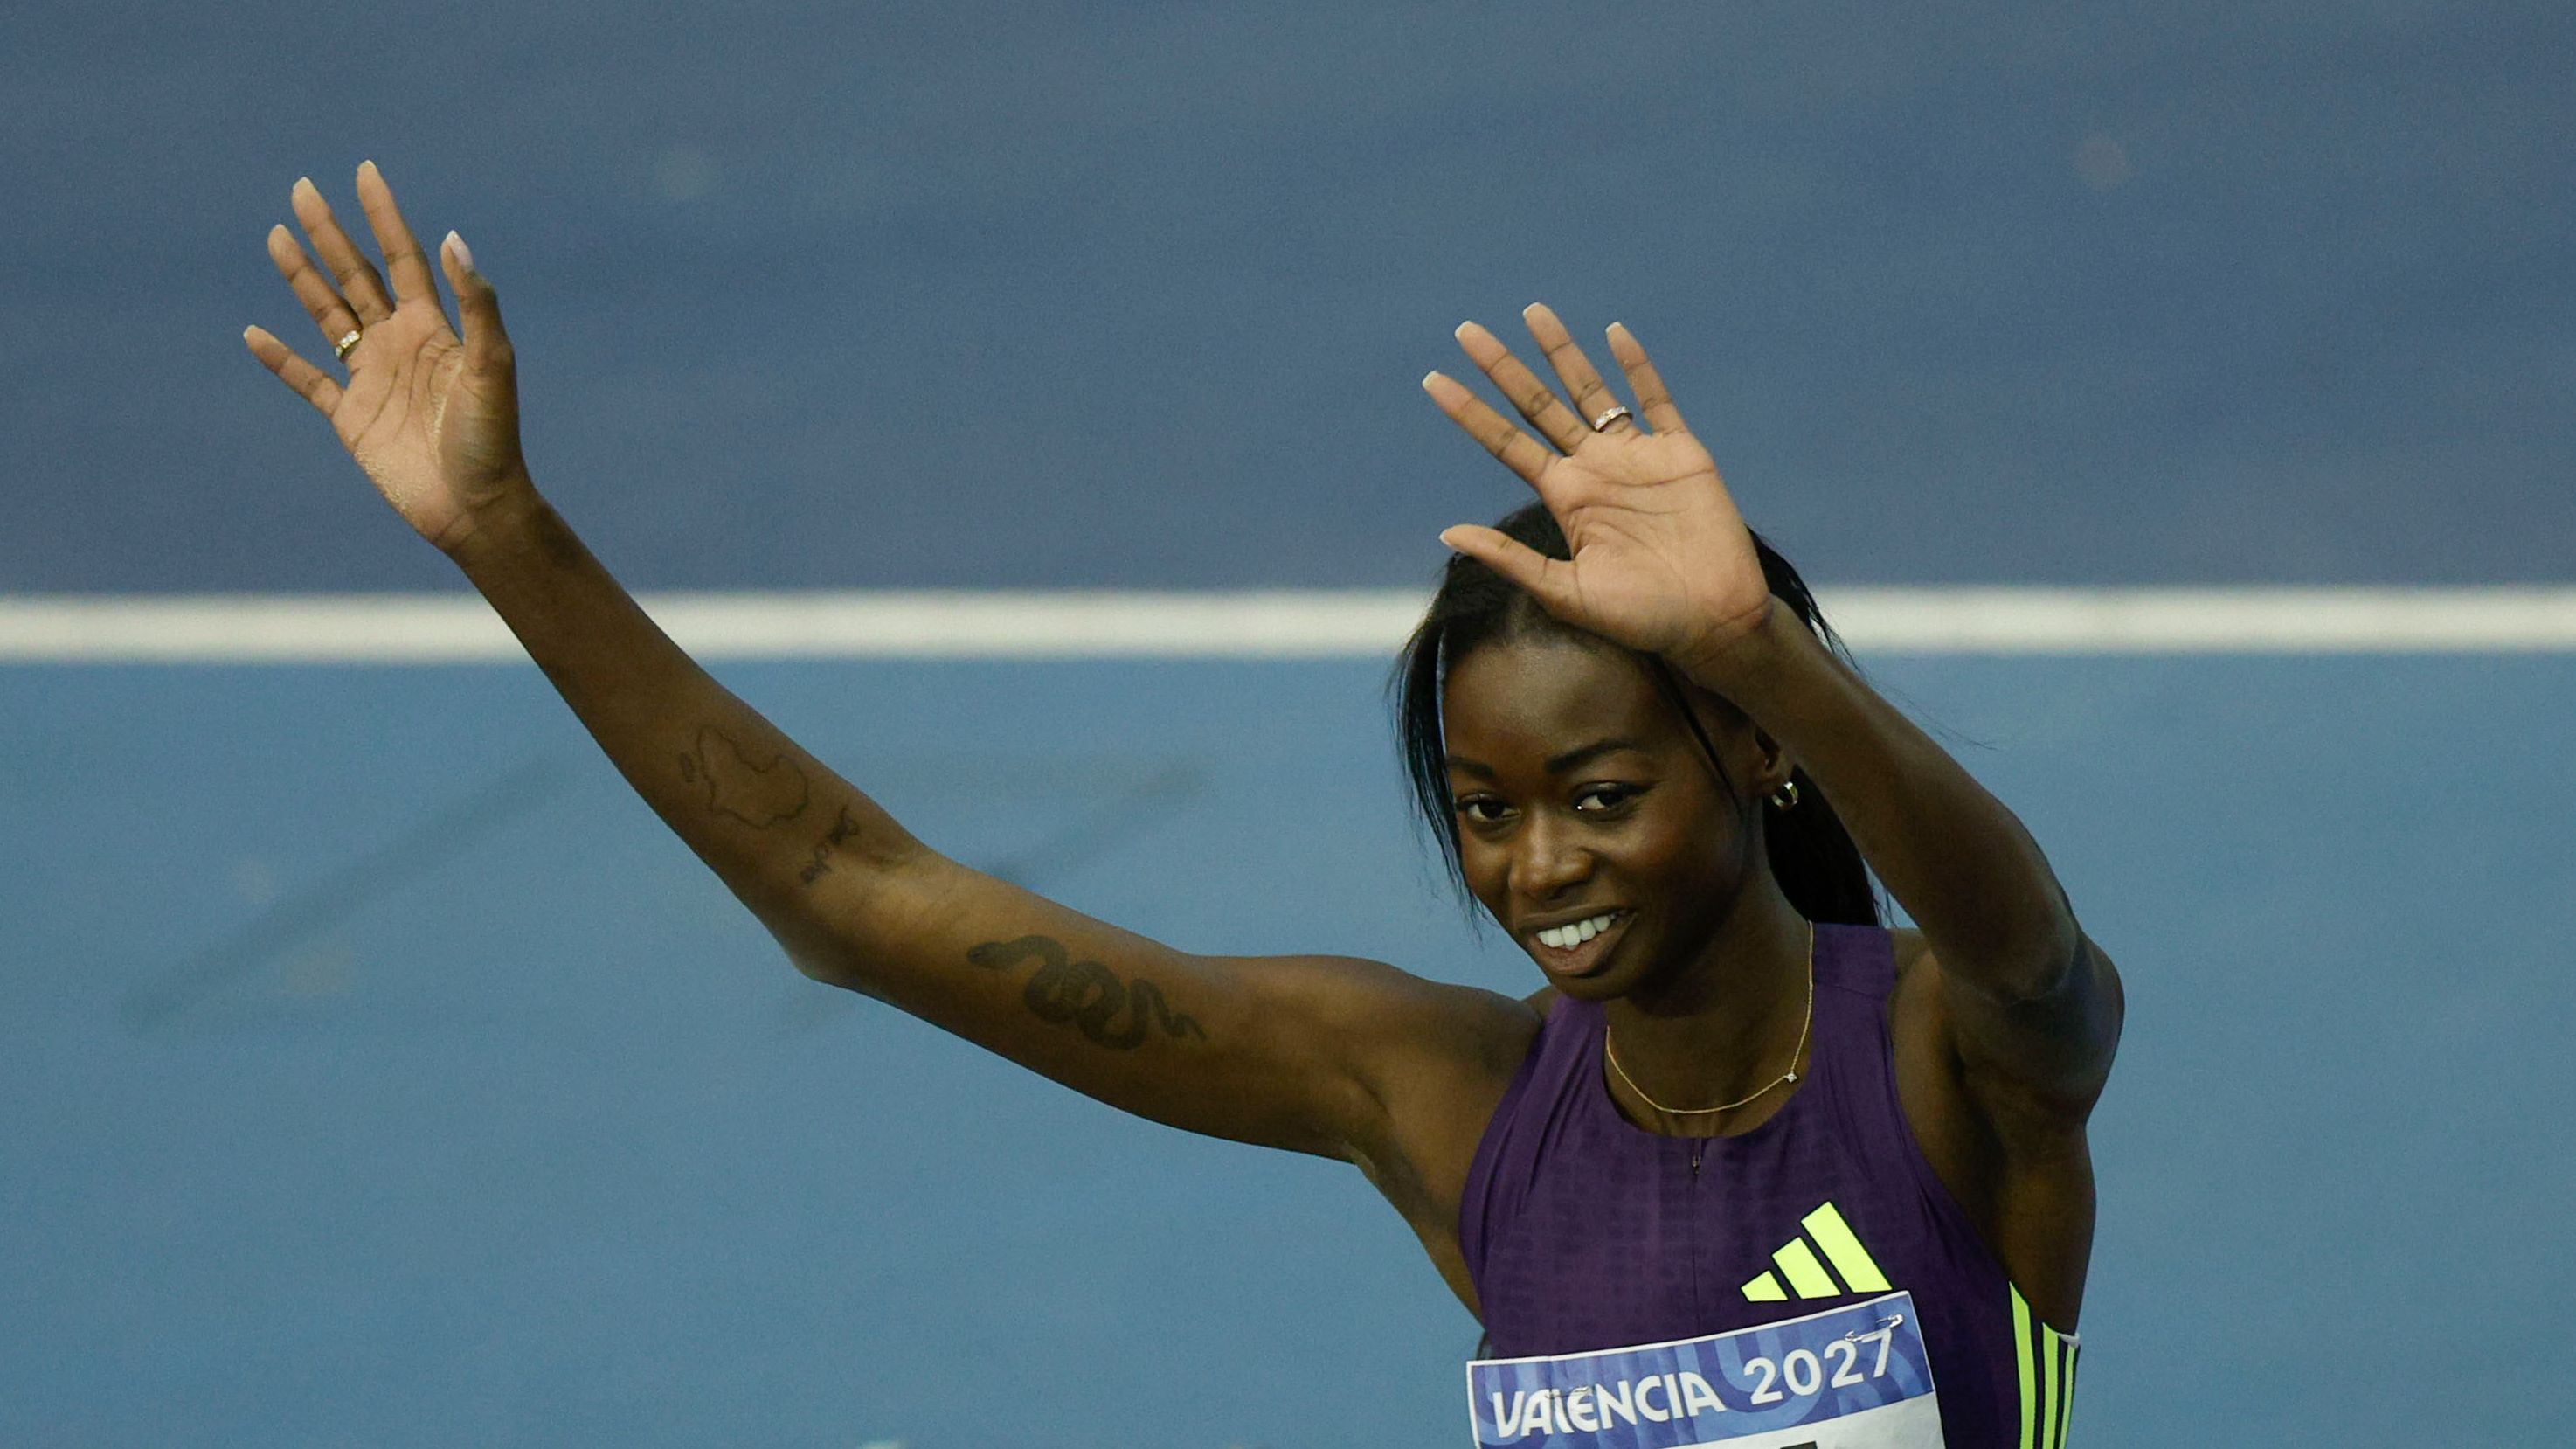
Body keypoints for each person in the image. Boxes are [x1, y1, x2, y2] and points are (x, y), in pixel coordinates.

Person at [246, 163, 2122, 1447]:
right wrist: (507, 538)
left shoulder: (1950, 1063)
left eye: (1601, 792)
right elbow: (851, 895)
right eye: (1481, 807)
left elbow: (2032, 951)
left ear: (1753, 754)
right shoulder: (1444, 1098)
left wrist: (1760, 649)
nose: (1535, 864)